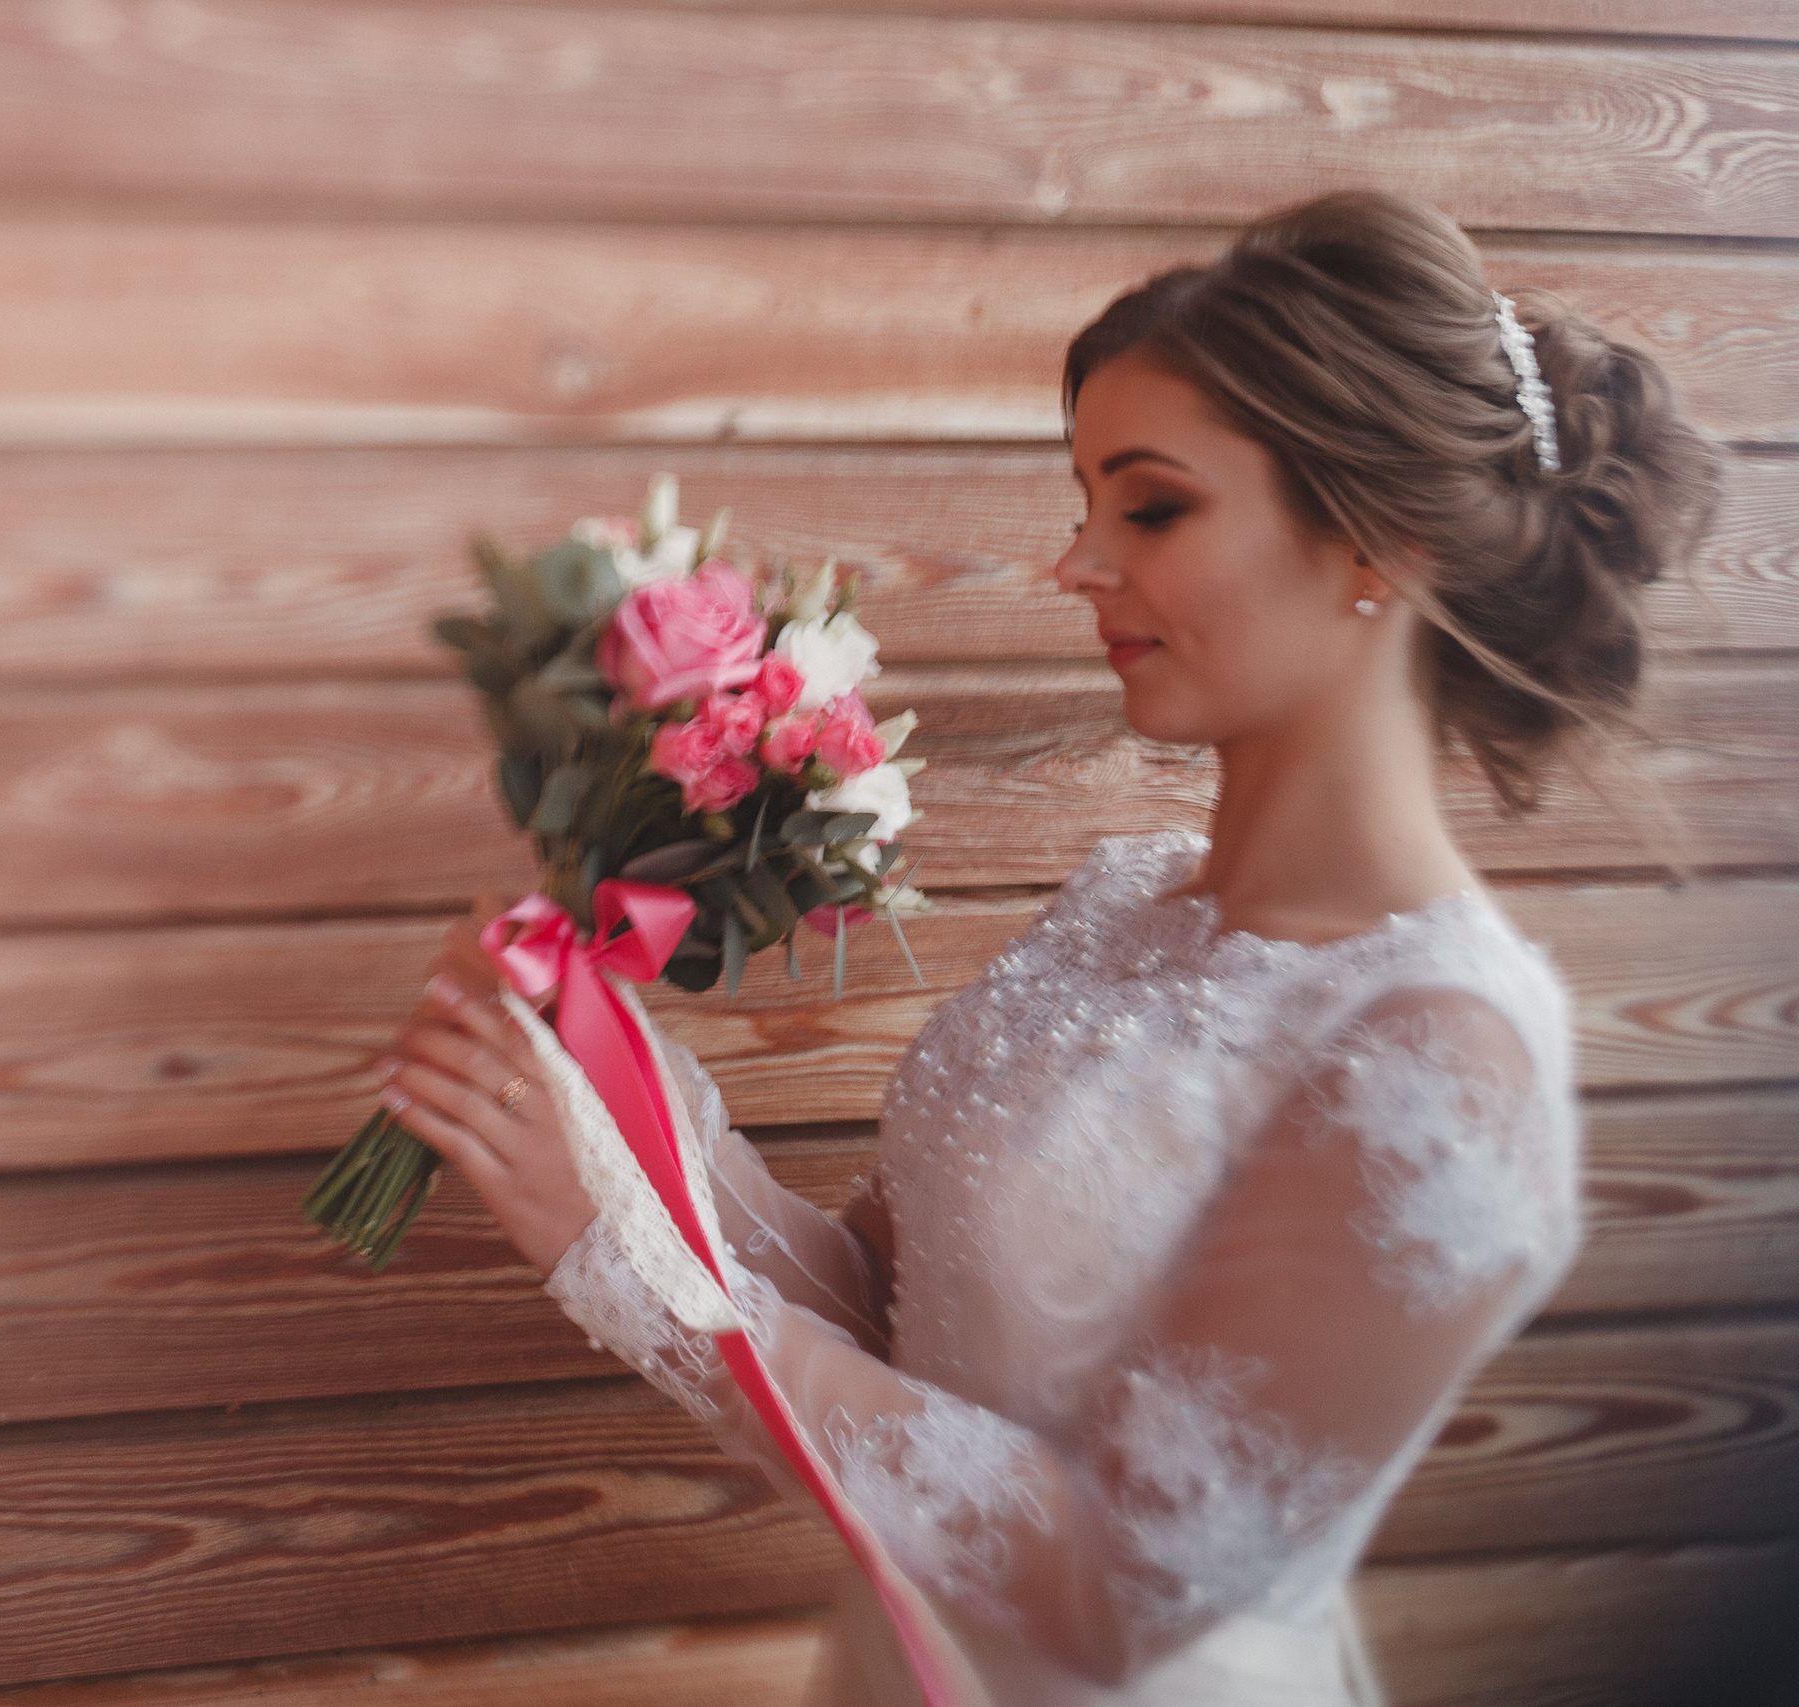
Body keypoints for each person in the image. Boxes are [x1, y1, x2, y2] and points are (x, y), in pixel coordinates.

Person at [371, 191, 1720, 1706]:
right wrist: (608, 1106)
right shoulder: (1123, 906)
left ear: (1376, 540)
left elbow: (1115, 1592)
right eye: (1086, 502)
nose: (1078, 564)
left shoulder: (1441, 1059)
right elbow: (889, 1313)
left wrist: (631, 1272)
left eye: (1148, 507)